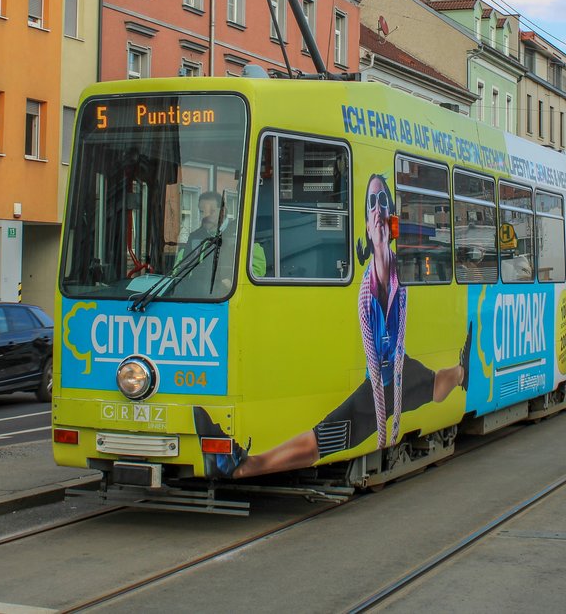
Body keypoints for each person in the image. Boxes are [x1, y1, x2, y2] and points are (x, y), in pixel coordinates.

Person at [195, 173, 470, 479]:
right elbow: (374, 366)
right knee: (331, 430)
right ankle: (242, 465)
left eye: (383, 202)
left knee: (432, 385)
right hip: (380, 380)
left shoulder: (399, 274)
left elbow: (401, 340)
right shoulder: (366, 292)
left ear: (392, 218)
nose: (378, 209)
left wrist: (391, 427)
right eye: (372, 203)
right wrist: (386, 430)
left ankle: (461, 371)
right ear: (367, 225)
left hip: (400, 369)